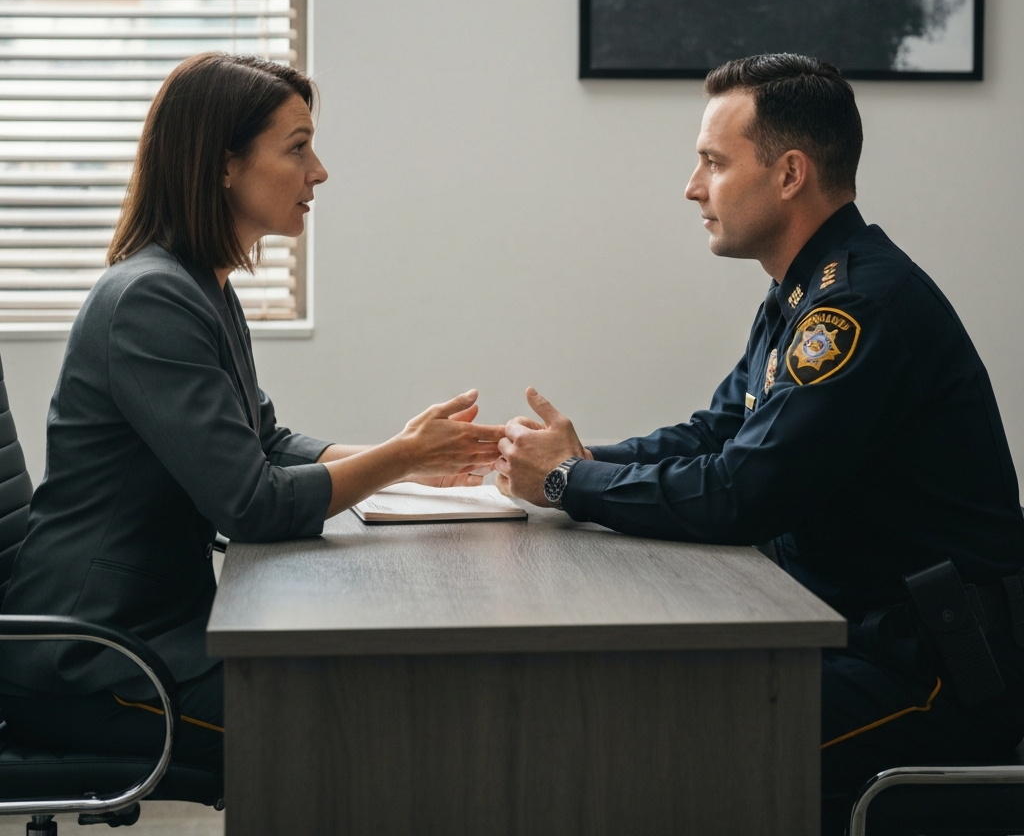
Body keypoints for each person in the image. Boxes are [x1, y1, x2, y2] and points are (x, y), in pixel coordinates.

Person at [494, 53, 1024, 833]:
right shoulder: (806, 291)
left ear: (789, 174)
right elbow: (721, 432)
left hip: (930, 673)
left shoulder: (858, 310)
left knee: (658, 756)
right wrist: (585, 460)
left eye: (712, 161)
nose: (692, 186)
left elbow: (741, 493)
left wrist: (569, 483)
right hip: (849, 634)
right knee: (639, 710)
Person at [0, 52, 503, 780]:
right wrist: (396, 459)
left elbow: (264, 442)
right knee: (359, 723)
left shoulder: (199, 285)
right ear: (224, 165)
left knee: (371, 697)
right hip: (92, 661)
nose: (319, 171)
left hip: (144, 633)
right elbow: (252, 503)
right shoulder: (151, 300)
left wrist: (410, 457)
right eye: (297, 148)